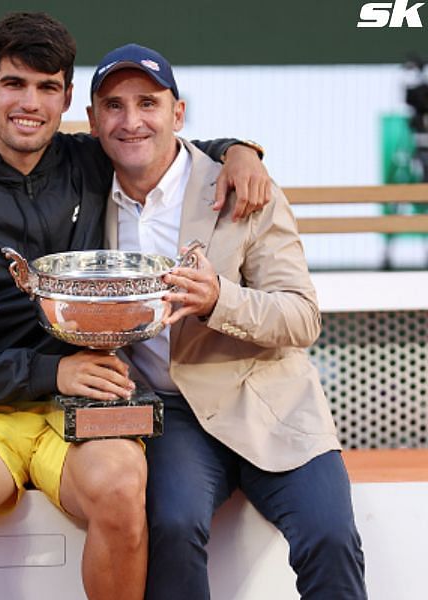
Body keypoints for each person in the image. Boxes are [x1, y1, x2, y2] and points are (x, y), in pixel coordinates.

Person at [0, 12, 272, 600]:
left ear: (67, 98)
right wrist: (52, 369)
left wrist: (240, 151)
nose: (29, 103)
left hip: (78, 403)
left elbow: (162, 142)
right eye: (15, 84)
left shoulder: (88, 161)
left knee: (120, 486)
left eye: (47, 87)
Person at [85, 43, 366, 599]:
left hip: (268, 400)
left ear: (178, 113)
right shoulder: (85, 191)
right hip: (171, 415)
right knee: (169, 527)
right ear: (93, 121)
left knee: (330, 537)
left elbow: (303, 317)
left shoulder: (242, 185)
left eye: (149, 102)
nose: (132, 120)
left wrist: (220, 300)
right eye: (114, 106)